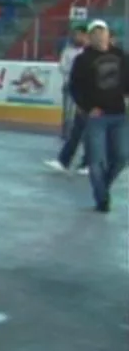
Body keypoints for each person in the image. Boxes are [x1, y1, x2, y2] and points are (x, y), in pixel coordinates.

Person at [68, 19, 129, 213]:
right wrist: (86, 107)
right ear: (89, 36)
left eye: (101, 31)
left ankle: (102, 187)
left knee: (121, 157)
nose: (98, 35)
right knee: (96, 161)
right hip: (96, 117)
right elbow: (74, 87)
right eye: (93, 32)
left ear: (108, 34)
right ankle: (102, 200)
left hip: (120, 115)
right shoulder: (82, 59)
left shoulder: (122, 56)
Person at [45, 24, 90, 175]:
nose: (77, 37)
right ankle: (65, 161)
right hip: (75, 89)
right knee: (77, 129)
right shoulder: (69, 50)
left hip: (91, 95)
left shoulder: (92, 52)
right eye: (75, 34)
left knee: (89, 131)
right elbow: (63, 67)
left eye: (80, 34)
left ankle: (87, 163)